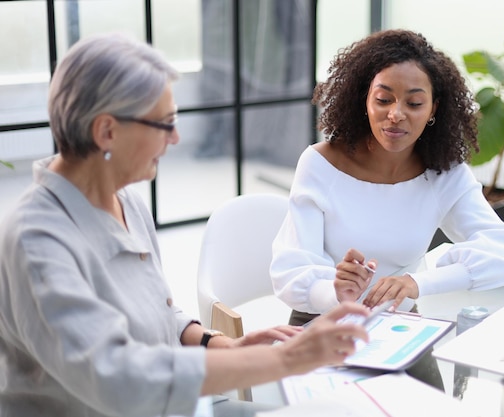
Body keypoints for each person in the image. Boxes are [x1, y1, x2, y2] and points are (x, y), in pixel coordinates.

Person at [0, 33, 372, 417]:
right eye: (164, 123)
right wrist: (286, 360)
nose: (175, 138)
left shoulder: (123, 199)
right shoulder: (36, 241)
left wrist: (217, 344)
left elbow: (154, 312)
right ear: (107, 131)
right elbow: (118, 380)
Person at [270, 29, 504, 389]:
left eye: (414, 104)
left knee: (433, 408)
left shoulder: (444, 174)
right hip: (322, 320)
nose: (396, 115)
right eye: (383, 100)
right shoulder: (320, 165)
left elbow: (502, 255)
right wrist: (337, 289)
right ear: (364, 100)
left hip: (399, 326)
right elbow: (291, 272)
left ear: (433, 109)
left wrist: (415, 283)